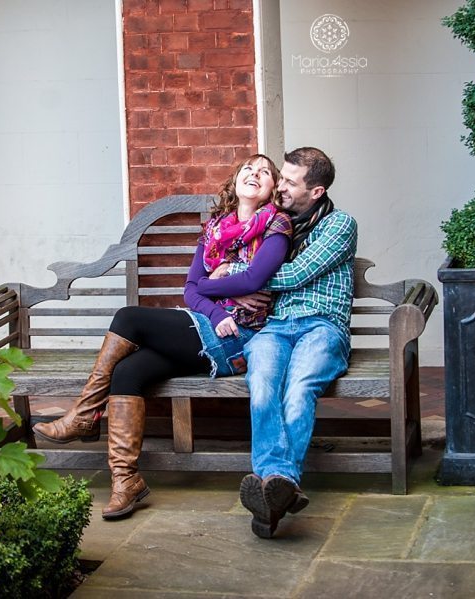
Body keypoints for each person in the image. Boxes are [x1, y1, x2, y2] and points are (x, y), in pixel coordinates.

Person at [32, 154, 293, 520]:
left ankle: (84, 414)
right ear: (235, 181)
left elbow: (252, 281)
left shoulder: (276, 226)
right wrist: (216, 304)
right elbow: (191, 290)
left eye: (265, 172)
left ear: (271, 190)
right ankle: (126, 483)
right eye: (248, 168)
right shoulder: (215, 229)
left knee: (128, 318)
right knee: (128, 373)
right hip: (212, 325)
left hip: (243, 337)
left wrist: (215, 283)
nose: (255, 173)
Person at [197, 147, 357, 538]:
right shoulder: (277, 223)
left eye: (289, 181)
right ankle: (277, 493)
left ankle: (273, 481)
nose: (280, 187)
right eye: (280, 178)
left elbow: (295, 274)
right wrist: (229, 281)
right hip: (276, 327)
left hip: (322, 327)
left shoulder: (339, 224)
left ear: (316, 192)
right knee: (263, 385)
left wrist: (233, 273)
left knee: (299, 389)